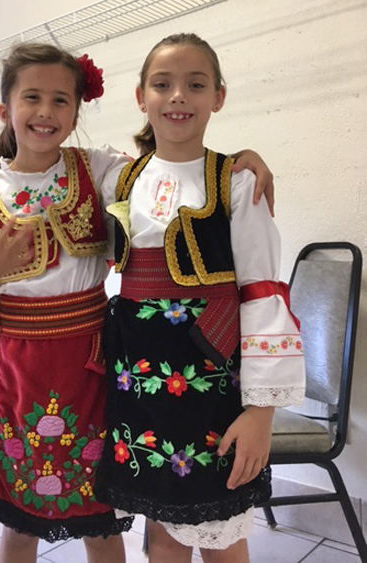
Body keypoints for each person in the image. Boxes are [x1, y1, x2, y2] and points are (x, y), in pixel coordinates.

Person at [0, 41, 277, 563]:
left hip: (98, 364)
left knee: (100, 508)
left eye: (61, 101)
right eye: (31, 98)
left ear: (76, 112)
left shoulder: (98, 169)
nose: (45, 112)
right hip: (21, 368)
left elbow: (168, 172)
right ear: (5, 109)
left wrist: (234, 164)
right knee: (19, 508)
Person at [91, 33, 306, 563]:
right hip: (136, 380)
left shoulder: (236, 183)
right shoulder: (119, 177)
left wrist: (261, 413)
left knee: (221, 527)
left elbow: (261, 296)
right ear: (142, 97)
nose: (178, 96)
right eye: (162, 85)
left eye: (195, 84)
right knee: (160, 529)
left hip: (209, 375)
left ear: (219, 97)